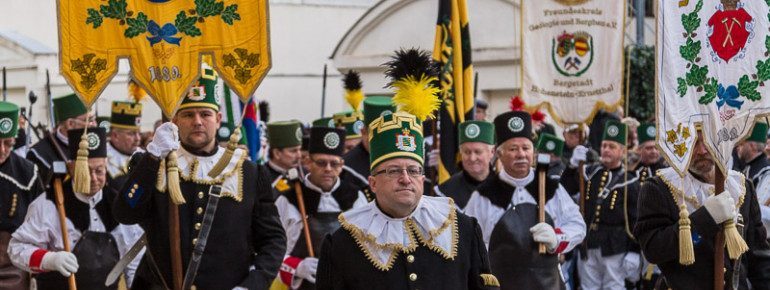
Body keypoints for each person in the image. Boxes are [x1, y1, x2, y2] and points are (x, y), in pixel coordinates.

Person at [111, 70, 286, 289]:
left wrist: (252, 285)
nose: (197, 122)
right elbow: (125, 213)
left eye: (205, 114)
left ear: (218, 120)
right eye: (188, 115)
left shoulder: (249, 172)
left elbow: (273, 240)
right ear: (175, 120)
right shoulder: (153, 164)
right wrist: (152, 156)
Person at [316, 112, 499, 290]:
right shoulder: (341, 243)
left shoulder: (464, 229)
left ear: (422, 179)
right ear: (373, 183)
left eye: (413, 171)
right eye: (393, 171)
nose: (405, 179)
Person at [9, 127, 144, 289]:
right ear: (72, 168)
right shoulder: (49, 204)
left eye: (99, 171)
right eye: (86, 171)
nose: (93, 179)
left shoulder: (119, 205)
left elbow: (134, 263)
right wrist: (49, 259)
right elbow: (16, 249)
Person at [634, 129, 770, 288]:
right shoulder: (659, 187)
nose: (702, 151)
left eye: (707, 141)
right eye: (693, 143)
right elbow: (653, 250)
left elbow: (758, 258)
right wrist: (706, 219)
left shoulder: (741, 186)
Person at [464, 111, 585, 289]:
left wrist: (556, 238)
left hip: (547, 284)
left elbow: (578, 226)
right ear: (499, 154)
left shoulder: (551, 189)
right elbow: (467, 241)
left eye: (526, 148)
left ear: (533, 153)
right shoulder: (483, 196)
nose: (521, 154)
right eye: (513, 149)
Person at [275, 127, 368, 289]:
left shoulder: (356, 198)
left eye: (334, 163)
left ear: (342, 165)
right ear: (308, 163)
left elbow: (369, 248)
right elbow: (270, 251)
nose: (328, 169)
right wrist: (297, 267)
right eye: (321, 163)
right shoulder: (287, 201)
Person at [561, 119, 641, 289]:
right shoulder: (590, 172)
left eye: (612, 147)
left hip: (615, 246)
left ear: (622, 152)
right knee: (588, 286)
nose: (606, 150)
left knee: (614, 286)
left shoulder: (630, 181)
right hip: (589, 243)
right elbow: (564, 190)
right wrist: (572, 166)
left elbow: (637, 219)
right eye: (604, 146)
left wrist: (635, 250)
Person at [0, 102, 43, 289]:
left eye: (8, 143)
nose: (2, 150)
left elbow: (40, 222)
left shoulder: (26, 172)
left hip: (14, 264)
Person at [27, 93, 95, 186]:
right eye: (89, 120)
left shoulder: (94, 145)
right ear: (70, 123)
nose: (94, 125)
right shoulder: (38, 154)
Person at [434, 120, 496, 211]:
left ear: (492, 152)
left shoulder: (505, 185)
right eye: (467, 152)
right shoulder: (445, 192)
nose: (472, 158)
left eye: (478, 152)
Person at [340, 96, 396, 192]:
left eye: (388, 135)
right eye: (377, 135)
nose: (383, 141)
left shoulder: (400, 159)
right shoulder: (346, 168)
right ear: (364, 132)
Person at [106, 101, 143, 193]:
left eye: (139, 134)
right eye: (131, 134)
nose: (138, 138)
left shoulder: (144, 155)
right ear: (115, 136)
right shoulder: (103, 159)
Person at [264, 120, 304, 189]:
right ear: (277, 153)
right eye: (293, 151)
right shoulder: (261, 177)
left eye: (299, 150)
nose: (299, 155)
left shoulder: (303, 173)